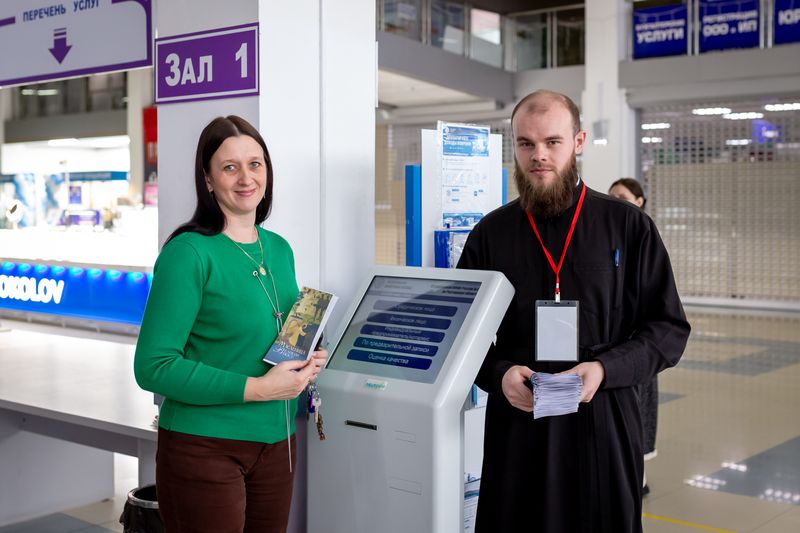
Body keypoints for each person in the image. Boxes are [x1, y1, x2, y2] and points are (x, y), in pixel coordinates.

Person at [457, 90, 690, 532]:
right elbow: (462, 335)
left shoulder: (627, 226)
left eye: (552, 142)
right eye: (525, 143)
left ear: (579, 141)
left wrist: (604, 368)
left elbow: (668, 328)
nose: (538, 155)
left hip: (603, 417)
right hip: (518, 419)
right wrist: (499, 373)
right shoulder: (491, 233)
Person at [134, 115, 326, 533]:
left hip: (276, 444)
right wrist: (258, 388)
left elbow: (268, 338)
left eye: (255, 164)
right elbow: (153, 366)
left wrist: (306, 357)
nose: (246, 178)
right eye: (229, 166)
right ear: (208, 179)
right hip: (204, 447)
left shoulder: (278, 249)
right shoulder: (188, 253)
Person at [609, 177, 658, 496]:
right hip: (613, 343)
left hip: (636, 342)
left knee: (640, 409)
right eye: (613, 196)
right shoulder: (607, 233)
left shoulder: (644, 235)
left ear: (640, 201)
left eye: (624, 197)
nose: (617, 201)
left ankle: (637, 478)